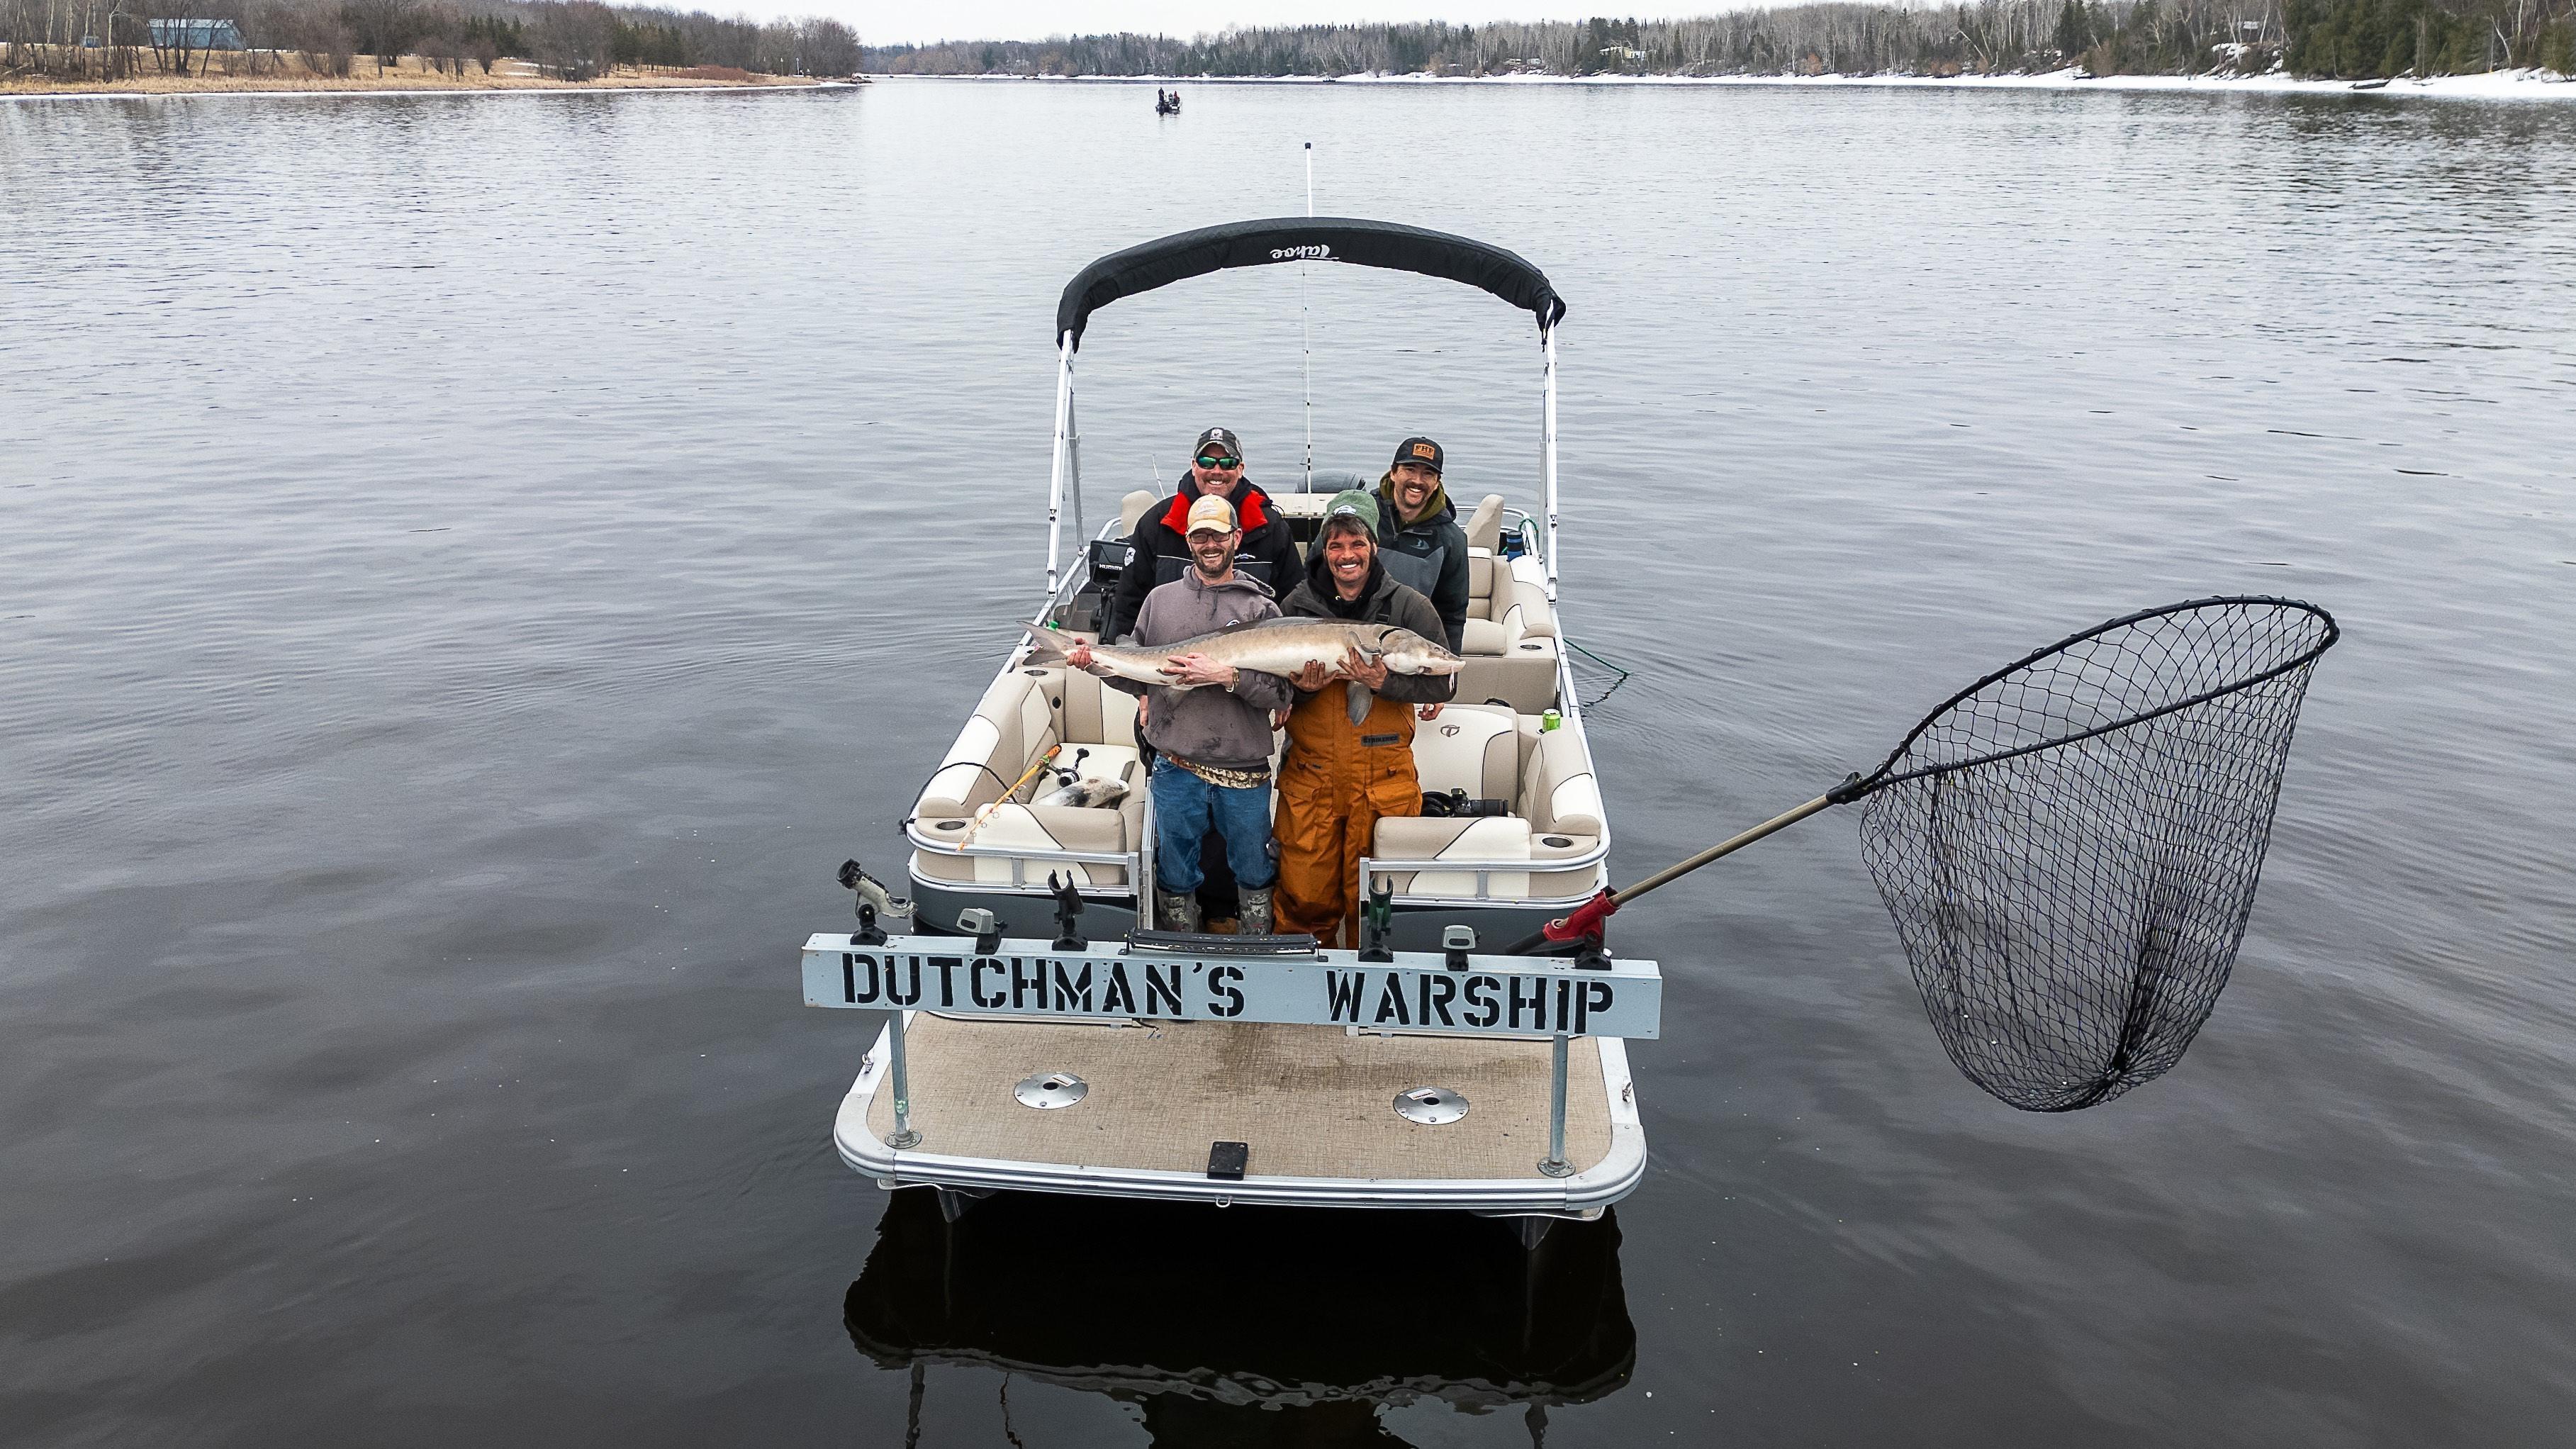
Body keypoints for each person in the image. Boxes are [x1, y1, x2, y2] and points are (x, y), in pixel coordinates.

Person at [1069, 494, 1291, 934]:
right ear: (1188, 540)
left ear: (1236, 538)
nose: (1210, 544)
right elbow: (1138, 678)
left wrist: (1229, 676)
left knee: (1253, 866)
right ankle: (1180, 942)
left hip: (1243, 768)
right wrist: (1097, 665)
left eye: (1218, 535)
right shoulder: (1159, 600)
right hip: (1175, 766)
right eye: (1200, 535)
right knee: (1175, 869)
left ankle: (1256, 941)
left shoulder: (1261, 609)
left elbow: (1282, 693)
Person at [1272, 490, 1457, 947]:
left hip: (1383, 780)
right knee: (1302, 896)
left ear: (1374, 546)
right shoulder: (1294, 607)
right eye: (1335, 545)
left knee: (1379, 900)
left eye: (1356, 544)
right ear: (1323, 551)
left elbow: (1443, 683)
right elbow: (1272, 690)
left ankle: (1372, 984)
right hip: (1310, 778)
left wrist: (1383, 683)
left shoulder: (1411, 609)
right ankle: (1303, 988)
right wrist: (1301, 689)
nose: (1346, 556)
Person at [1104, 427, 1300, 645]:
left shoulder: (1271, 528)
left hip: (1246, 659)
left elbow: (1292, 600)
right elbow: (1128, 602)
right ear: (1194, 466)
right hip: (1168, 658)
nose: (1217, 471)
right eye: (1207, 462)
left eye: (1227, 463)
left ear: (1240, 469)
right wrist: (1121, 658)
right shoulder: (1156, 524)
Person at [1372, 436, 1472, 654]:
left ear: (1437, 482)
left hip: (1410, 651)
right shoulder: (1361, 518)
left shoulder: (1451, 540)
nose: (1417, 480)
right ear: (1393, 472)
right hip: (1353, 641)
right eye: (1409, 469)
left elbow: (1452, 615)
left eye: (1428, 473)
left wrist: (1447, 675)